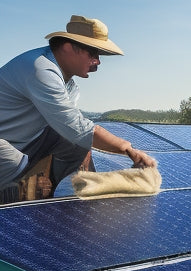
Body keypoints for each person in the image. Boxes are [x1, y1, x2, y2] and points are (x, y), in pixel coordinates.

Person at [0, 15, 157, 199]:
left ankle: (60, 197)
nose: (97, 61)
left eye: (99, 55)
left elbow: (75, 132)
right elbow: (76, 127)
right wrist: (127, 149)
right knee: (13, 166)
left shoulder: (70, 87)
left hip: (23, 141)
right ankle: (12, 207)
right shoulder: (39, 69)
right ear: (67, 47)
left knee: (75, 144)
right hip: (5, 144)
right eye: (92, 53)